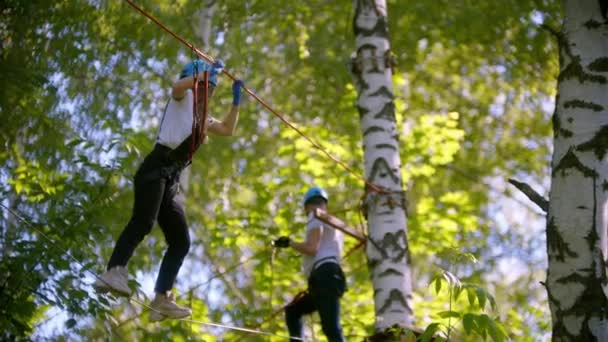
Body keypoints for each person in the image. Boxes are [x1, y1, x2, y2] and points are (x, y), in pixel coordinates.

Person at [94, 59, 244, 322]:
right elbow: (177, 86)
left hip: (170, 178)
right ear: (196, 82)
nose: (208, 93)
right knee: (144, 222)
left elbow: (228, 129)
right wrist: (203, 75)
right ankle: (113, 271)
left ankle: (162, 298)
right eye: (206, 87)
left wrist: (236, 102)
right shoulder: (182, 97)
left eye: (210, 90)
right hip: (155, 168)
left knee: (181, 241)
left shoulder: (202, 116)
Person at [273, 186, 346, 342]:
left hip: (324, 274)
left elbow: (312, 248)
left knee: (331, 328)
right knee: (293, 311)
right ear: (325, 204)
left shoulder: (315, 216)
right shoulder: (335, 225)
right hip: (328, 277)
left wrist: (290, 243)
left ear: (306, 207)